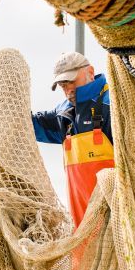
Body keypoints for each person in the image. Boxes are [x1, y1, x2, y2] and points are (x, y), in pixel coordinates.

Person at [32, 52, 114, 228]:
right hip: (81, 227)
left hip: (116, 224)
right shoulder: (63, 114)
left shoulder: (113, 105)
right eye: (62, 85)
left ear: (90, 72)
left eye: (71, 81)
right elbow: (31, 125)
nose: (68, 90)